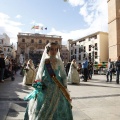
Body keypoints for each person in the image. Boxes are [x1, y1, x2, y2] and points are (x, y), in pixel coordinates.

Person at [24, 42, 73, 120]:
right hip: (46, 84)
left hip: (58, 85)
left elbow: (63, 74)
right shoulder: (45, 61)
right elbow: (39, 73)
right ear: (48, 51)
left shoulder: (59, 61)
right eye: (51, 49)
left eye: (55, 49)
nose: (53, 51)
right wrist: (38, 84)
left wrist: (64, 85)